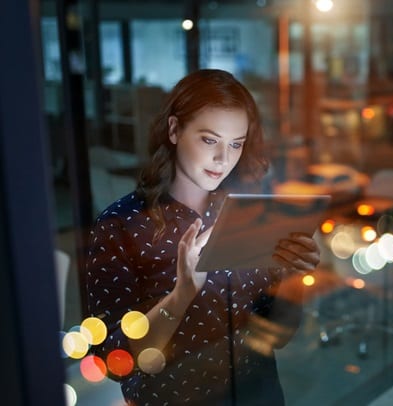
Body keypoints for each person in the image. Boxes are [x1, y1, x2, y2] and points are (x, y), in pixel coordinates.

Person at [85, 69, 319, 405]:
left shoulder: (246, 215)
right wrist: (183, 294)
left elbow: (276, 336)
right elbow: (113, 359)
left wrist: (293, 276)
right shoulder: (121, 225)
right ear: (175, 129)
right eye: (209, 140)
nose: (223, 160)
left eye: (235, 144)